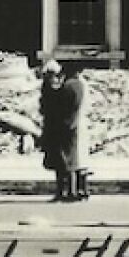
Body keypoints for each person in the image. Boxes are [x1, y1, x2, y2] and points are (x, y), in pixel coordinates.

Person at [39, 60, 88, 202]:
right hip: (72, 125)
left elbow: (56, 107)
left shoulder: (66, 87)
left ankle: (65, 192)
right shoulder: (79, 85)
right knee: (70, 160)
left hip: (62, 127)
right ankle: (73, 191)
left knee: (64, 161)